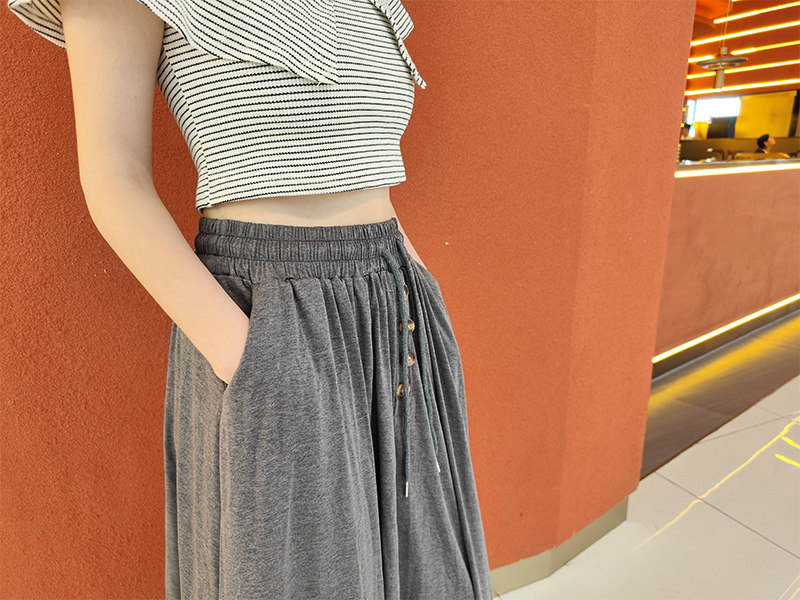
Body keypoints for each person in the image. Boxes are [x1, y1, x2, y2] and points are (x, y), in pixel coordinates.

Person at [6, 1, 494, 598]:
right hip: (267, 311)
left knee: (423, 561)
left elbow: (368, 169)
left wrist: (420, 288)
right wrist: (251, 357)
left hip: (394, 308)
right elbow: (115, 178)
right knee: (302, 574)